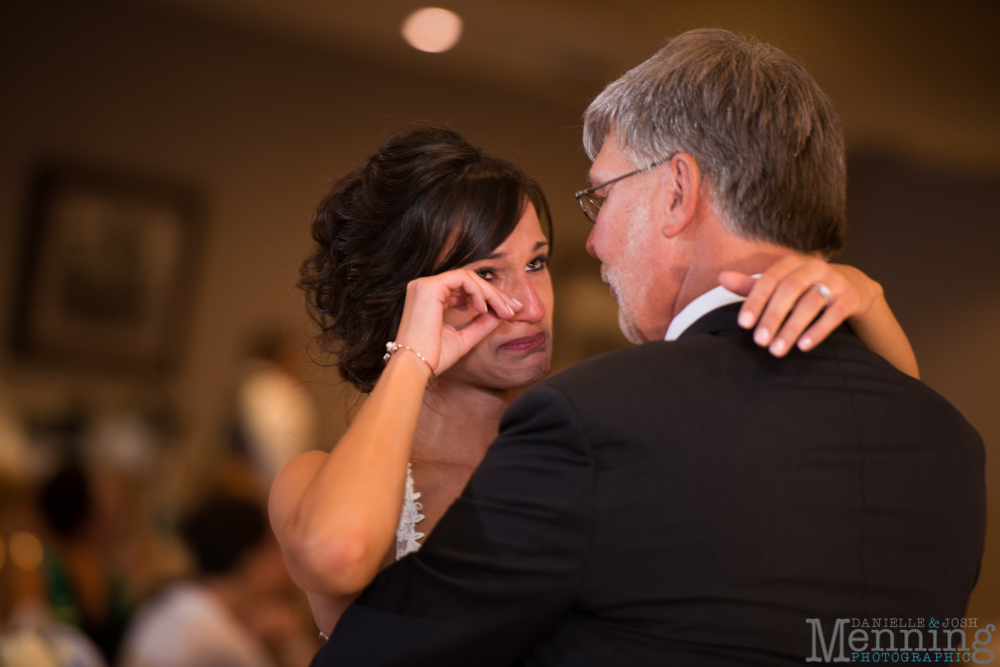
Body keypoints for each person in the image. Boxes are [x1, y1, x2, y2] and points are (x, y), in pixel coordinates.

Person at [304, 31, 986, 666]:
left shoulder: (598, 421)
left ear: (678, 193)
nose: (595, 241)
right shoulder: (950, 444)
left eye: (602, 196)